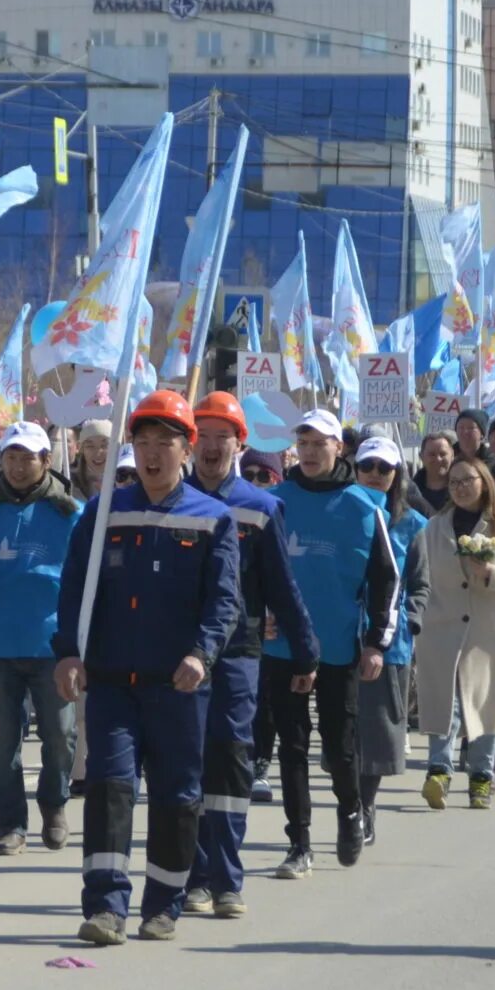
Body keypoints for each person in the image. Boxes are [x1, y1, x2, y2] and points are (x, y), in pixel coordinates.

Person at [52, 390, 242, 944]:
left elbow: (224, 602)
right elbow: (73, 591)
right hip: (111, 682)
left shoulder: (213, 519)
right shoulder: (103, 511)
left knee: (177, 796)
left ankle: (165, 902)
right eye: (143, 441)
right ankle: (106, 906)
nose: (153, 453)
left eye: (166, 443)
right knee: (109, 789)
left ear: (187, 450)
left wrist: (201, 653)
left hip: (179, 687)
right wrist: (67, 651)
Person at [185, 392, 314, 915]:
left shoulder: (261, 509)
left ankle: (226, 879)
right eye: (205, 436)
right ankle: (190, 875)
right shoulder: (169, 500)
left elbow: (282, 586)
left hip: (239, 651)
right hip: (178, 653)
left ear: (241, 444)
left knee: (231, 758)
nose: (213, 447)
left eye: (224, 436)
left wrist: (305, 650)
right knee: (184, 762)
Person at [265, 407, 399, 874]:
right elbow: (252, 571)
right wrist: (259, 615)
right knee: (293, 746)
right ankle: (298, 843)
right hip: (283, 646)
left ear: (337, 448)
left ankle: (349, 812)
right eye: (302, 443)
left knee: (340, 747)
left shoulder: (364, 505)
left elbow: (386, 579)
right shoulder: (275, 501)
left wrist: (377, 644)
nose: (309, 451)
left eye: (319, 443)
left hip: (340, 648)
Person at [0, 422, 83, 854]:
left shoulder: (71, 512)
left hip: (51, 642)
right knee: (1, 742)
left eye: (27, 457)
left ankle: (54, 805)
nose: (18, 466)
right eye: (11, 457)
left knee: (60, 733)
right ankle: (11, 823)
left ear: (46, 461)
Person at [411, 454, 495, 809]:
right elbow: (420, 577)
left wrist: (492, 574)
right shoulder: (433, 528)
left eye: (468, 480)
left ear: (483, 483)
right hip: (442, 630)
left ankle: (480, 776)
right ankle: (439, 771)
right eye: (454, 482)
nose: (461, 487)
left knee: (486, 704)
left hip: (490, 634)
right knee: (443, 702)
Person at [348, 435, 427, 837]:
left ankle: (365, 805)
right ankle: (352, 806)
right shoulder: (342, 515)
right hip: (341, 638)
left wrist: (409, 621)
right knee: (345, 733)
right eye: (368, 467)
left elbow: (421, 586)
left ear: (397, 476)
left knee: (377, 734)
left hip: (388, 646)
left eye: (384, 469)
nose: (375, 475)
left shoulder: (414, 525)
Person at [412, 431, 455, 515]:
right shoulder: (409, 493)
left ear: (452, 456)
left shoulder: (462, 490)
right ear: (421, 456)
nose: (438, 459)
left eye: (443, 454)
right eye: (432, 454)